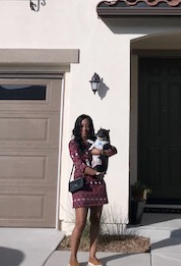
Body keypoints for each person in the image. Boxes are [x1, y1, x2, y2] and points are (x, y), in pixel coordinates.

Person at [68, 114, 118, 266]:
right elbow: (79, 165)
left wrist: (105, 151)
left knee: (95, 220)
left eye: (88, 125)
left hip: (97, 184)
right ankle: (73, 259)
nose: (85, 128)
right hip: (82, 185)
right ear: (78, 127)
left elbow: (113, 150)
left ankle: (92, 256)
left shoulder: (95, 141)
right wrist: (95, 172)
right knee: (81, 222)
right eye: (82, 126)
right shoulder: (74, 143)